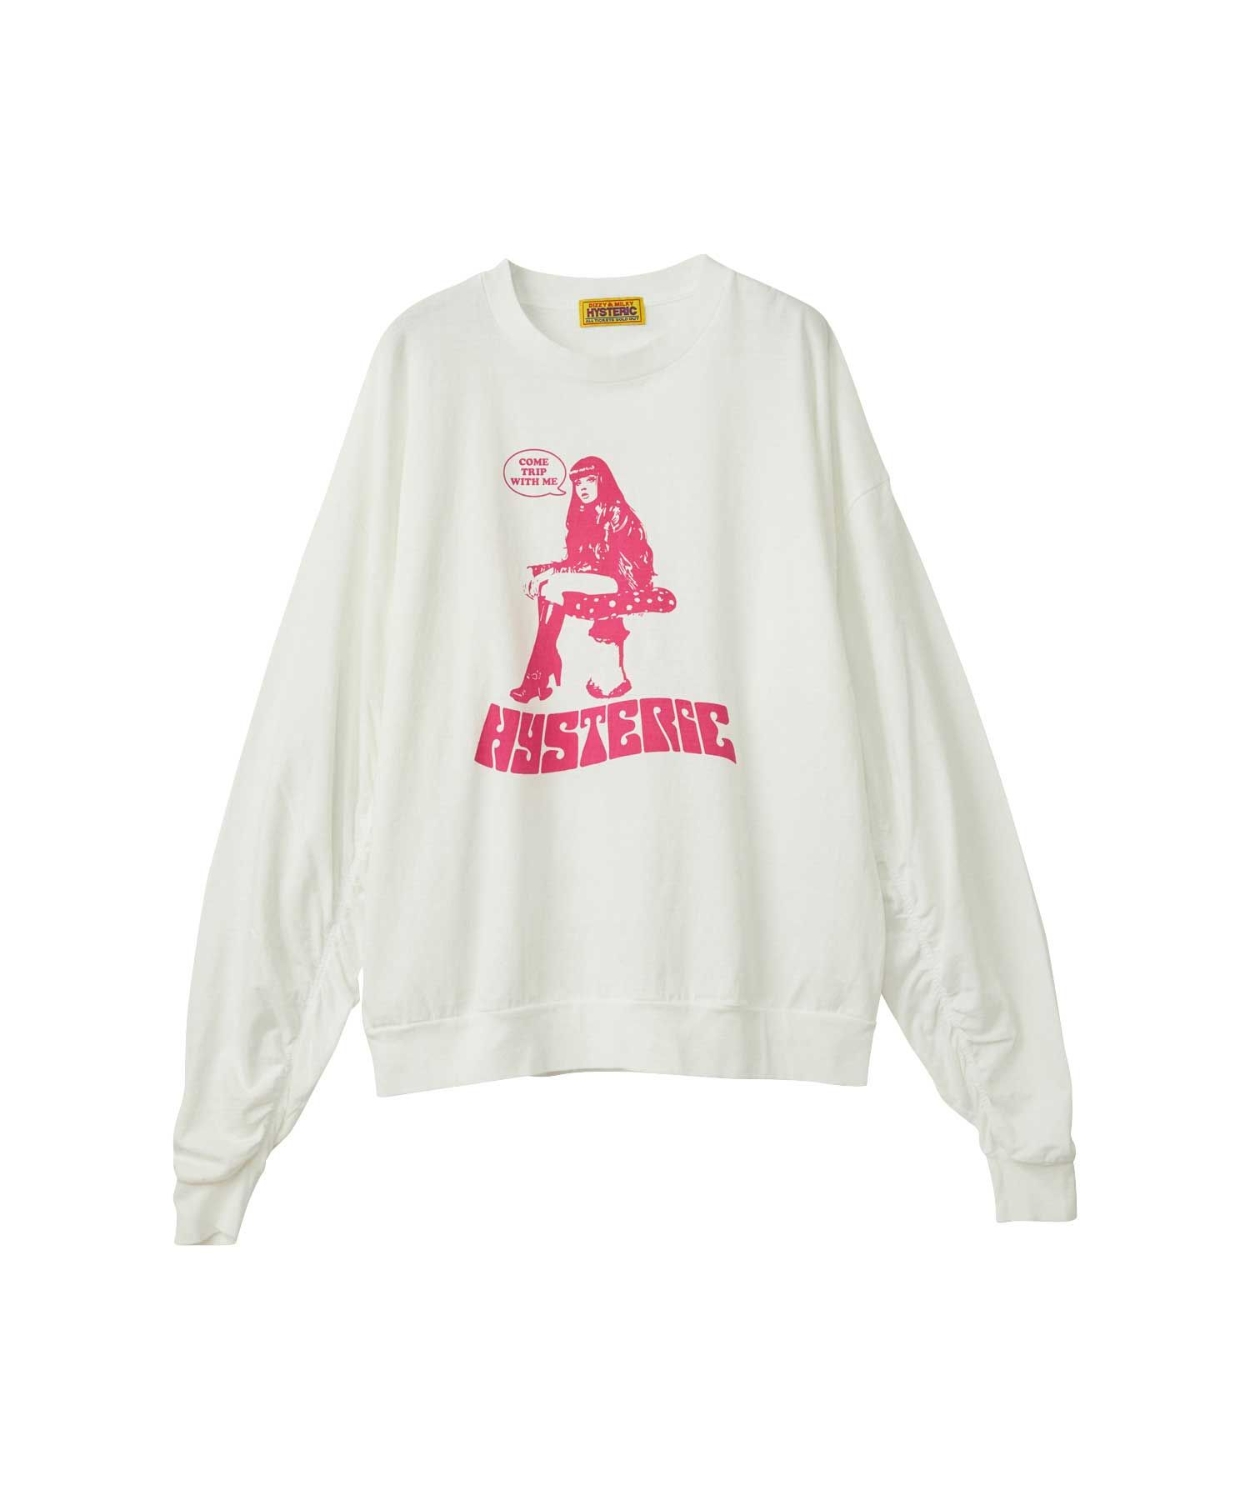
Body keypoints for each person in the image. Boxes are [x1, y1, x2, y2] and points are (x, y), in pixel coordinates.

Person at [511, 455, 676, 702]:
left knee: (551, 586)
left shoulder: (617, 512)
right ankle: (542, 667)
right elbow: (577, 562)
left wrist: (556, 574)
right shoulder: (581, 515)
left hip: (623, 580)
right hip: (597, 578)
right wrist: (548, 571)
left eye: (589, 480)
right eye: (578, 483)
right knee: (546, 582)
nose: (583, 488)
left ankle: (540, 671)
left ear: (602, 481)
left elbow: (609, 564)